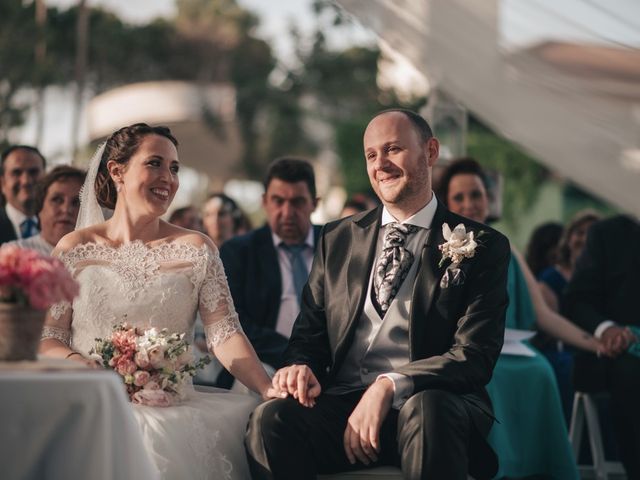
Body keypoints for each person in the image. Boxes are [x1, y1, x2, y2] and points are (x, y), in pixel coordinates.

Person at [245, 109, 511, 480]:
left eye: (393, 149)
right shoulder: (337, 240)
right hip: (344, 407)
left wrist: (390, 384)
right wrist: (300, 366)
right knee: (270, 420)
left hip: (432, 408)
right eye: (371, 155)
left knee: (427, 409)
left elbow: (473, 356)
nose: (381, 164)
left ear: (430, 152)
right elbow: (308, 336)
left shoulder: (483, 245)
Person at [38, 123, 277, 480]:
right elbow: (48, 338)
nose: (168, 177)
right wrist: (84, 366)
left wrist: (267, 388)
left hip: (173, 414)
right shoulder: (74, 249)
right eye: (154, 163)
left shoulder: (197, 249)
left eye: (174, 168)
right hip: (90, 406)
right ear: (117, 171)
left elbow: (224, 334)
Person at [437, 157, 600, 353]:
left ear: (488, 200)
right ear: (446, 204)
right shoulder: (439, 250)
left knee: (542, 371)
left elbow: (543, 315)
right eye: (458, 198)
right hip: (459, 353)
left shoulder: (508, 251)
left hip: (507, 351)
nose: (469, 204)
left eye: (476, 195)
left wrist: (596, 344)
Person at [219, 158, 322, 386]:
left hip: (324, 365)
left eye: (297, 202)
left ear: (315, 204)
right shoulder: (239, 251)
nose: (287, 212)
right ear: (265, 202)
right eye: (278, 201)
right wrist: (294, 358)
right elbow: (234, 320)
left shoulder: (336, 245)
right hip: (261, 362)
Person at [564, 215, 640, 478]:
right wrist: (606, 330)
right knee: (631, 370)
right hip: (615, 355)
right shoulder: (607, 233)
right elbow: (576, 301)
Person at [6, 165, 85, 256]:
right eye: (57, 200)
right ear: (40, 207)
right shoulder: (15, 252)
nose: (66, 209)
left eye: (76, 202)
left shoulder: (98, 255)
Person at [0, 145, 46, 245]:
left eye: (33, 172)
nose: (26, 181)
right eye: (16, 173)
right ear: (2, 183)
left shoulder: (58, 226)